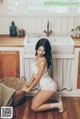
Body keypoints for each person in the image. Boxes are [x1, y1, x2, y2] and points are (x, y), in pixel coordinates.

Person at [22, 38, 63, 112]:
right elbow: (34, 73)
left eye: (43, 51)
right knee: (32, 101)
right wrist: (29, 82)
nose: (40, 52)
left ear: (46, 51)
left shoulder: (42, 62)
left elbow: (37, 79)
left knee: (34, 107)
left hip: (49, 86)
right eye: (39, 50)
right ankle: (55, 96)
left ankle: (58, 105)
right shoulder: (37, 57)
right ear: (36, 48)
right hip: (44, 86)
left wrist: (29, 89)